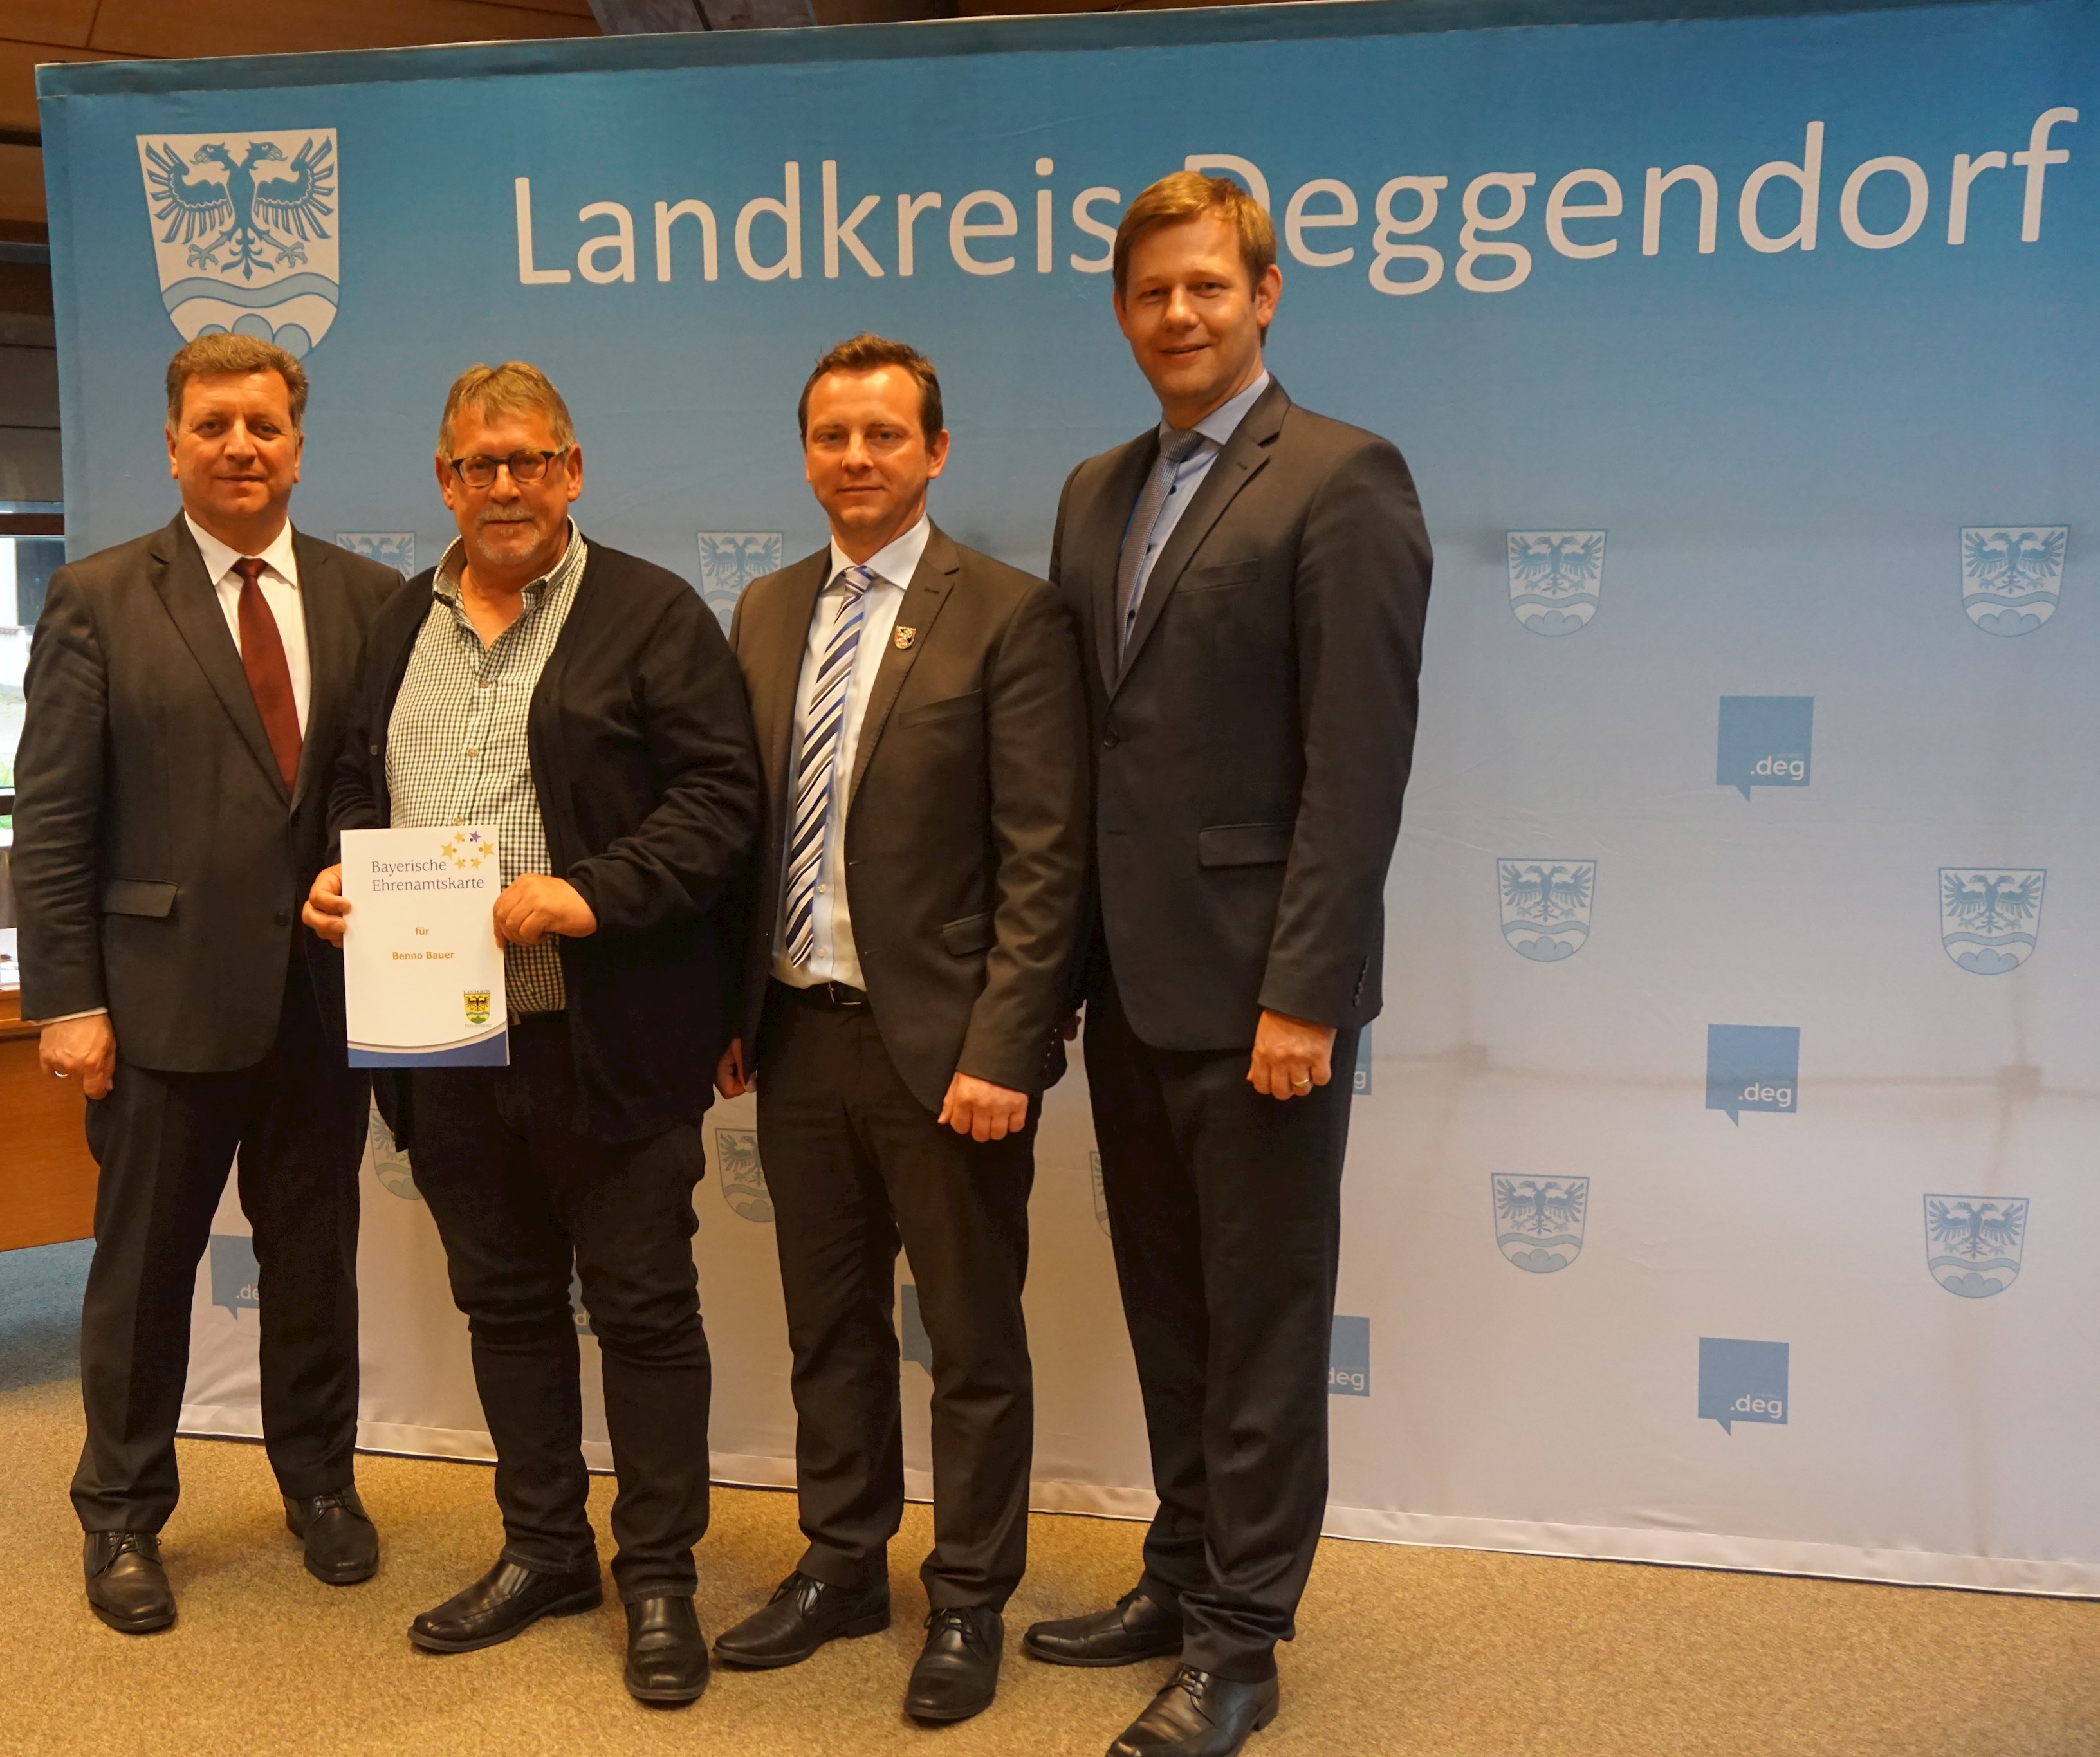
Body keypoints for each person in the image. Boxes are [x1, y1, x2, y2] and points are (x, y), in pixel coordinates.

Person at [1027, 173, 1432, 1757]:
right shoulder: (1093, 489)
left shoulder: (1342, 476)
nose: (1177, 314)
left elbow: (1356, 764)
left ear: (1264, 294)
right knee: (1168, 1312)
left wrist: (1302, 992)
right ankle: (1180, 1570)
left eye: (1206, 285)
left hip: (1263, 999)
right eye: (1150, 293)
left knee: (1259, 1328)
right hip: (1128, 989)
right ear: (1119, 313)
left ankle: (1240, 1642)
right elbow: (1089, 745)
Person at [303, 362, 759, 1706]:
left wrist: (591, 891)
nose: (503, 486)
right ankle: (546, 1550)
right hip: (443, 1046)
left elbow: (721, 801)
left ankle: (659, 1576)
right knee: (503, 1306)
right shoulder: (402, 621)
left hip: (602, 1039)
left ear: (572, 472)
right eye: (476, 466)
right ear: (443, 482)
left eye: (528, 461)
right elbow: (354, 783)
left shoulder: (652, 614)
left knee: (644, 1311)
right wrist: (338, 873)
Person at [709, 335, 1089, 1724]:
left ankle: (970, 1595)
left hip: (947, 1051)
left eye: (883, 435)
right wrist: (729, 1009)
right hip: (797, 1034)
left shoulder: (1007, 614)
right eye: (832, 436)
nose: (855, 458)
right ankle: (843, 1563)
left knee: (971, 1344)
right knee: (829, 1329)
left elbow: (1046, 857)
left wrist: (1005, 1046)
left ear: (934, 451)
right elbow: (748, 833)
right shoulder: (765, 610)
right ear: (804, 454)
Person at [14, 333, 405, 1635]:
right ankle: (122, 1515)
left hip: (323, 1005)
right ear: (173, 445)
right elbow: (53, 817)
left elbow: (372, 784)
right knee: (143, 1279)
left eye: (264, 426)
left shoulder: (368, 597)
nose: (241, 446)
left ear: (299, 446)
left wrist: (362, 868)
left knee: (315, 1267)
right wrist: (68, 1001)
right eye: (215, 425)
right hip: (157, 1007)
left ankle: (321, 1488)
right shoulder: (98, 598)